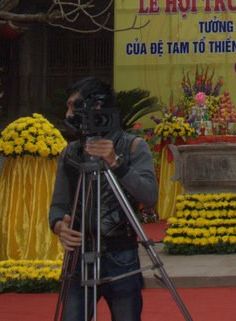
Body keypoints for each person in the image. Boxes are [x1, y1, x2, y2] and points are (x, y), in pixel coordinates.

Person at [50, 77, 158, 321]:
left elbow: (149, 196)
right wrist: (58, 226)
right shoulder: (70, 153)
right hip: (79, 257)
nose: (67, 114)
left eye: (73, 106)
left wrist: (116, 163)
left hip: (121, 256)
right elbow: (58, 205)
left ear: (95, 106)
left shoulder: (133, 146)